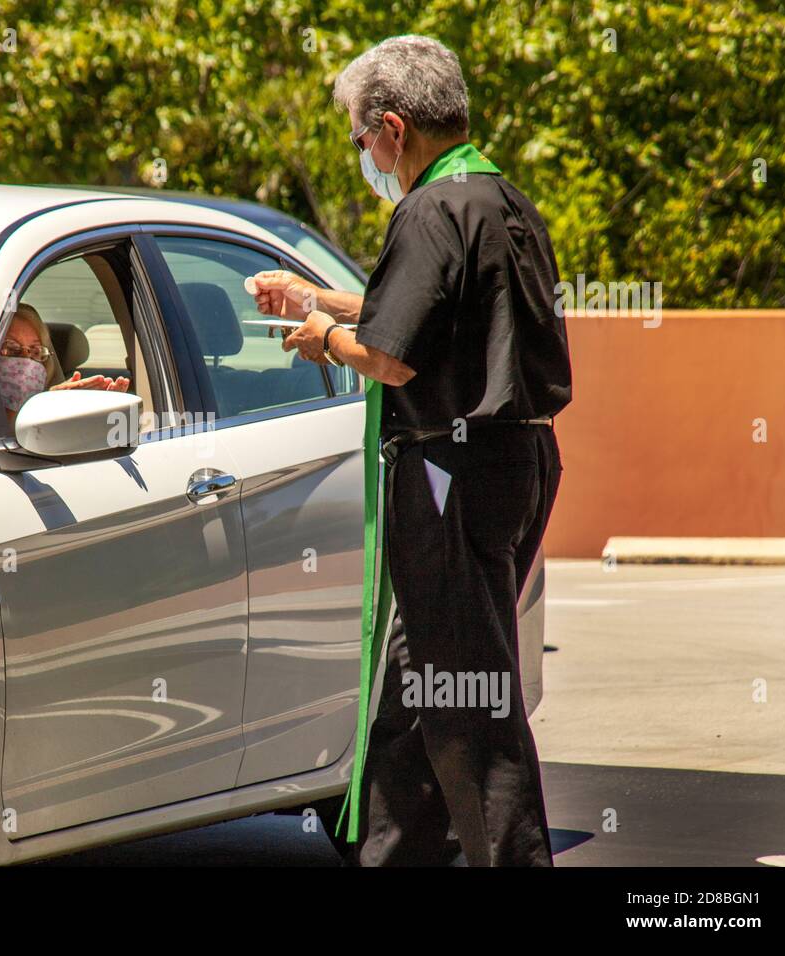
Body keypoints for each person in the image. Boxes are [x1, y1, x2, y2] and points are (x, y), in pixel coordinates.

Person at [252, 35, 572, 866]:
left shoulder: (428, 208)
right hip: (515, 461)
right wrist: (319, 294)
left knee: (467, 701)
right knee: (411, 700)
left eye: (363, 141)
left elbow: (393, 354)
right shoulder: (495, 197)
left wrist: (323, 336)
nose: (368, 159)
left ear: (394, 127)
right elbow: (423, 306)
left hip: (450, 475)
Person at [0, 302, 129, 425]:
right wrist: (47, 405)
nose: (26, 360)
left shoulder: (54, 414)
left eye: (36, 351)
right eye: (11, 348)